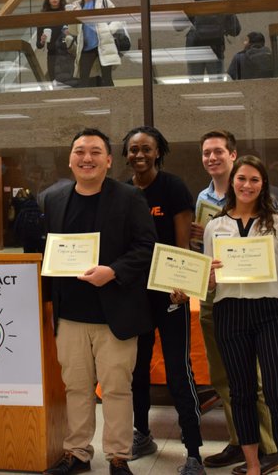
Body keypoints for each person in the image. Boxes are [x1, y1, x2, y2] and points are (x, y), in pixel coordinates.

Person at [40, 128, 156, 475]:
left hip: (115, 315)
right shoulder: (54, 199)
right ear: (70, 159)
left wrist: (114, 272)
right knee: (76, 389)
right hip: (70, 316)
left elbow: (147, 247)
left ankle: (118, 456)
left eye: (94, 152)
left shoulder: (129, 197)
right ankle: (77, 452)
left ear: (108, 160)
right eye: (79, 151)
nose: (86, 158)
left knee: (118, 390)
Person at [189, 130, 278, 475]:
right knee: (225, 377)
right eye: (206, 153)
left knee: (256, 381)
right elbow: (203, 255)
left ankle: (271, 447)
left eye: (218, 152)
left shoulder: (267, 198)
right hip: (217, 298)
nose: (211, 158)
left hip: (258, 301)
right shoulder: (202, 200)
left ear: (233, 155)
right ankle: (239, 441)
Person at [120, 126, 204, 475]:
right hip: (134, 294)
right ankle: (142, 433)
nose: (139, 155)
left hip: (170, 292)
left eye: (147, 149)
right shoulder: (122, 192)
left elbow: (183, 245)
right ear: (125, 154)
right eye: (133, 149)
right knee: (136, 369)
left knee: (177, 370)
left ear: (158, 153)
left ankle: (194, 451)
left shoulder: (173, 188)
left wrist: (182, 284)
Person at [68, 0, 123, 87]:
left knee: (107, 78)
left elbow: (118, 17)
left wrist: (109, 30)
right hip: (86, 47)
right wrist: (70, 16)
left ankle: (112, 102)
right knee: (83, 79)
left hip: (103, 44)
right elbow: (74, 31)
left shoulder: (103, 1)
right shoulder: (77, 6)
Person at [185, 0, 241, 79]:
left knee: (195, 84)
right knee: (217, 84)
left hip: (194, 48)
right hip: (216, 48)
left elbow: (177, 26)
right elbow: (236, 30)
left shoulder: (193, 5)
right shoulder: (223, 6)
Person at [38, 0, 76, 87]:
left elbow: (76, 34)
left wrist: (70, 32)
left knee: (69, 83)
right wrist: (42, 41)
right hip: (52, 55)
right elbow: (39, 45)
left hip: (67, 54)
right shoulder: (42, 17)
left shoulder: (67, 13)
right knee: (54, 84)